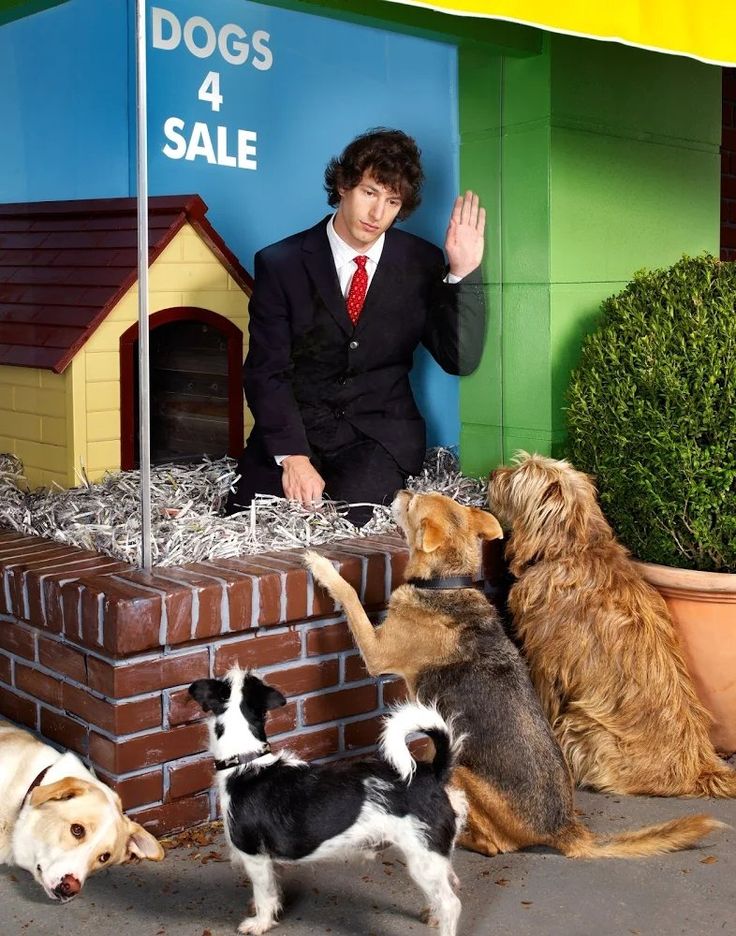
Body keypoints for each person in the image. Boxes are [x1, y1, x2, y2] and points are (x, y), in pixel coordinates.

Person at [226, 128, 486, 523]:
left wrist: (462, 274)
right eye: (369, 192)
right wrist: (293, 458)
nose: (377, 214)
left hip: (377, 437)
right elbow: (267, 372)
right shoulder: (280, 264)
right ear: (345, 185)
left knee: (354, 526)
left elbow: (459, 359)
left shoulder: (423, 262)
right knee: (246, 518)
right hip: (297, 431)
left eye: (392, 201)